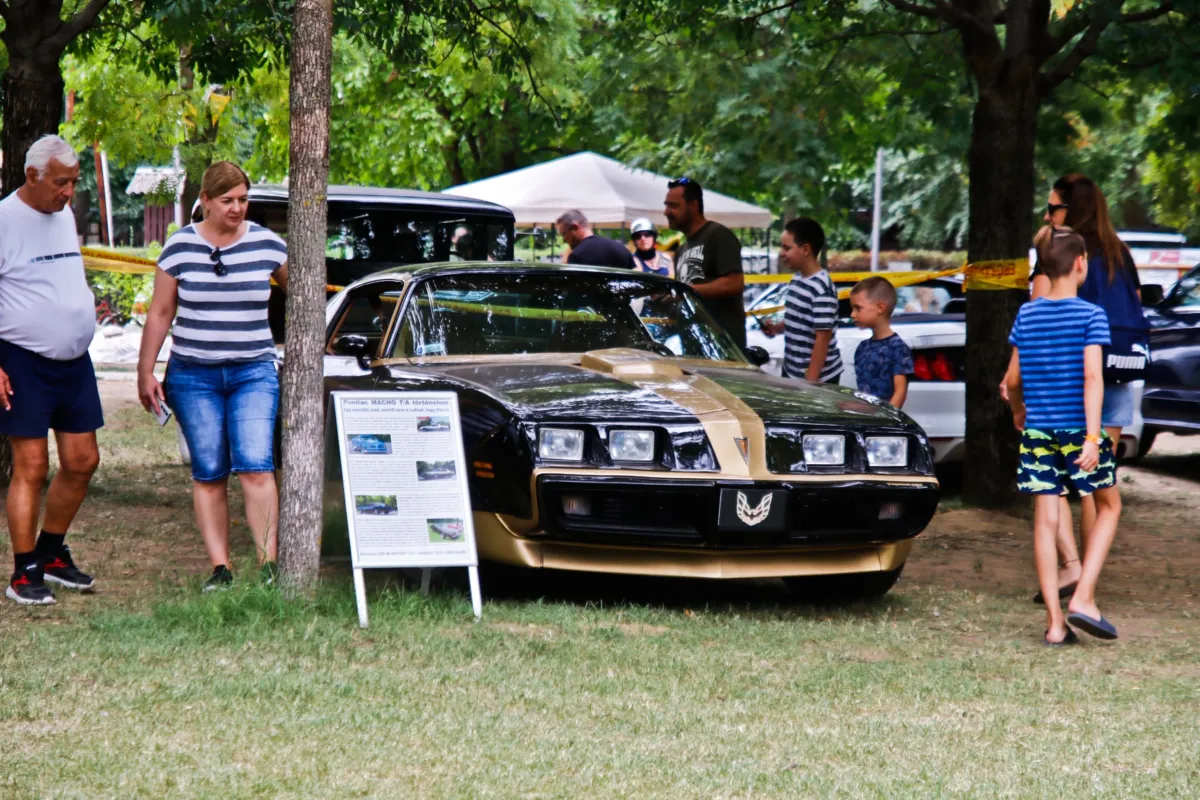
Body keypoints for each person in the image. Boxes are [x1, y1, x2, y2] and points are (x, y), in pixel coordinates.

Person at [137, 161, 288, 591]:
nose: (238, 208)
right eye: (228, 201)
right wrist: (145, 370)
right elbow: (161, 311)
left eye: (243, 199)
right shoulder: (179, 247)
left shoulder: (268, 244)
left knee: (256, 465)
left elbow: (310, 290)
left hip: (253, 371)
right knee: (209, 470)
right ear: (204, 200)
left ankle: (268, 567)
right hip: (193, 374)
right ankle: (221, 569)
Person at [1026, 175, 1145, 605]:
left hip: (1068, 385)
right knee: (1099, 486)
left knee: (1059, 486)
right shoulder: (1118, 252)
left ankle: (1072, 570)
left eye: (1054, 208)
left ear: (1069, 211)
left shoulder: (1061, 256)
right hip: (1115, 373)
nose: (1047, 214)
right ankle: (1088, 583)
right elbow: (1134, 299)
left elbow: (1038, 309)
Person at [1006, 226, 1121, 644]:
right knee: (1108, 506)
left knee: (1045, 520)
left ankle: (1055, 626)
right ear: (1080, 263)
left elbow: (1014, 377)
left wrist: (1019, 409)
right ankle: (1084, 597)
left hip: (1038, 430)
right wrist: (1093, 438)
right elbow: (1093, 376)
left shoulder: (1027, 313)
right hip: (1078, 429)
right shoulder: (1091, 315)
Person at [0, 135, 102, 605]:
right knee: (33, 466)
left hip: (73, 361)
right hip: (21, 357)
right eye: (61, 182)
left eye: (74, 182)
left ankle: (51, 554)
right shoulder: (4, 220)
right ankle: (24, 574)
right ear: (32, 176)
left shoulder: (64, 217)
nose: (68, 192)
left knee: (83, 461)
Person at [663, 178, 746, 349]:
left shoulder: (718, 235)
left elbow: (734, 283)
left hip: (723, 350)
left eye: (673, 206)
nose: (666, 212)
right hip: (693, 347)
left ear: (693, 205)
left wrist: (686, 290)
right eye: (666, 205)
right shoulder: (681, 251)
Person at [772, 217, 842, 382]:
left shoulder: (821, 288)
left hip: (817, 379)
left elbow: (822, 339)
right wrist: (777, 328)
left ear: (805, 249)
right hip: (792, 372)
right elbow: (799, 320)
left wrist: (810, 383)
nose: (782, 253)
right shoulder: (797, 279)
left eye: (787, 248)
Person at [850, 276, 913, 407]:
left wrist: (886, 421)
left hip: (884, 422)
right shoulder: (862, 348)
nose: (852, 314)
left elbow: (900, 392)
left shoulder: (897, 348)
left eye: (858, 308)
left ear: (880, 308)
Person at [556, 210, 635, 269]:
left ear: (575, 227)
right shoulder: (622, 250)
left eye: (564, 234)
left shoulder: (577, 256)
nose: (564, 240)